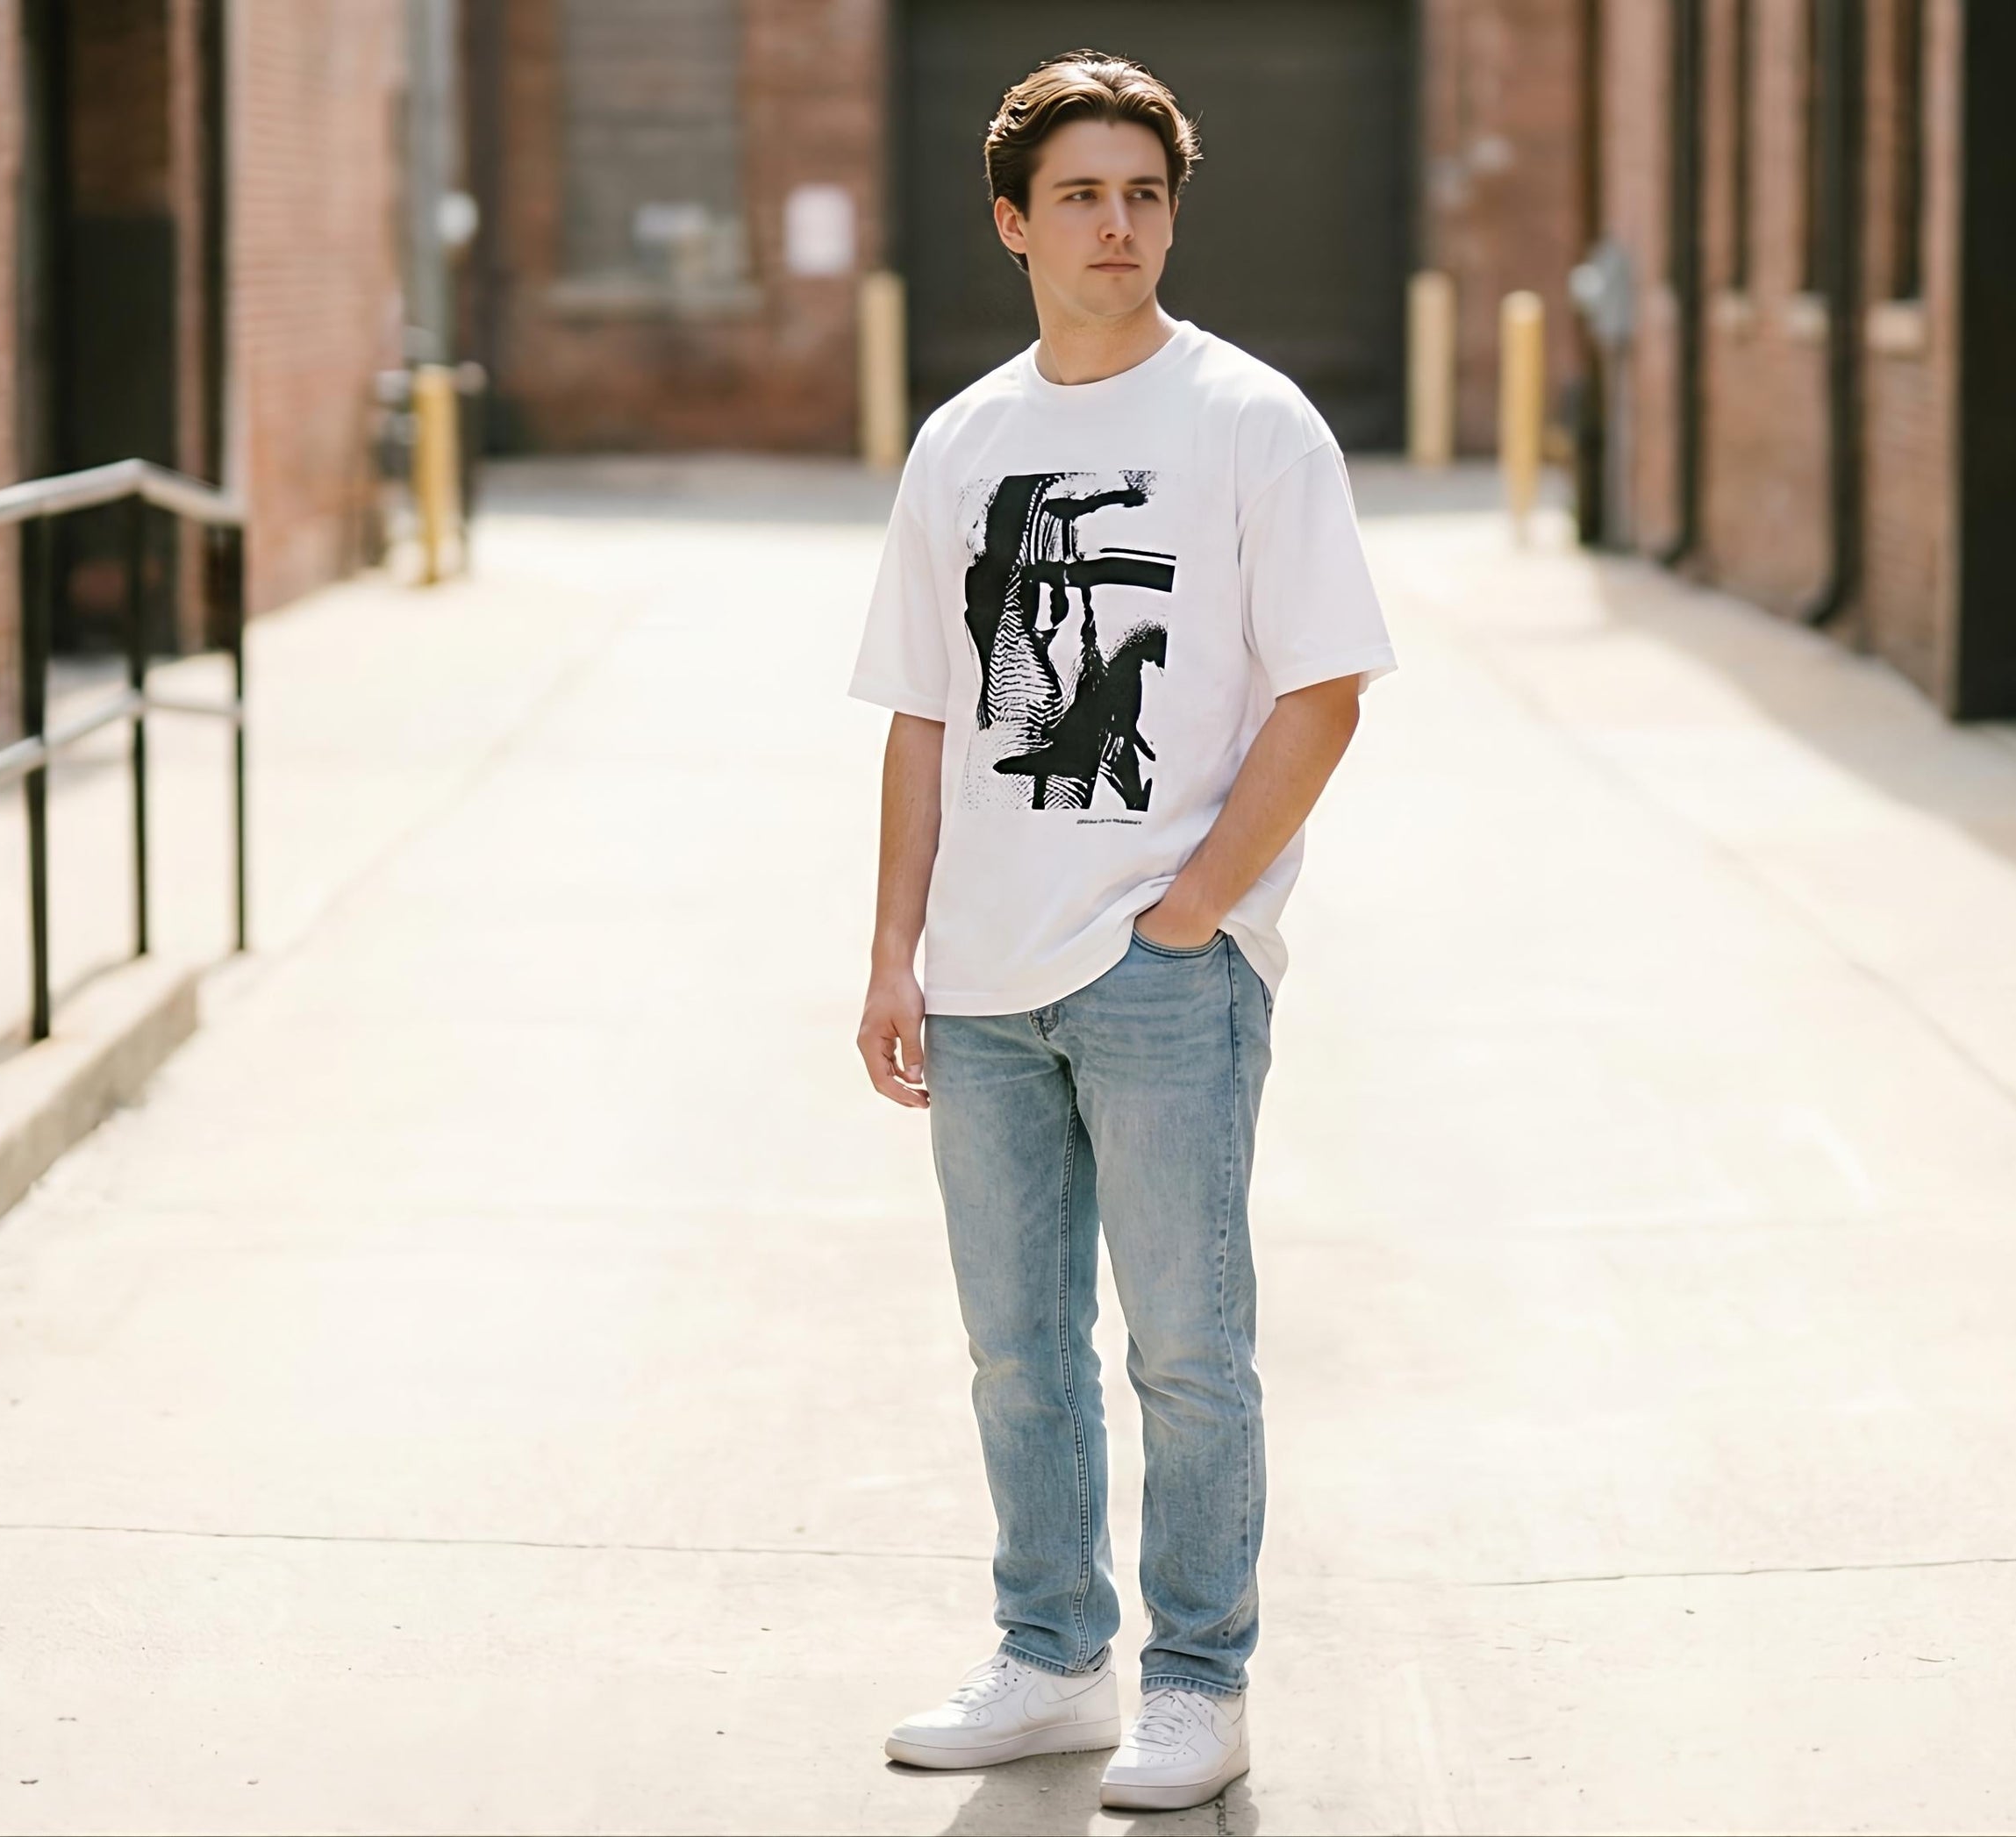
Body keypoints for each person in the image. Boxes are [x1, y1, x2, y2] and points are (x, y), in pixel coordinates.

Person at [847, 48, 1394, 1816]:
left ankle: (1199, 1684)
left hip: (1164, 980)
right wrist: (892, 956)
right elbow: (925, 717)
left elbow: (1323, 696)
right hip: (987, 984)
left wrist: (1195, 913)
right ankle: (1050, 1659)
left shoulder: (1249, 422)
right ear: (1012, 222)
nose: (1118, 224)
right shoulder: (966, 441)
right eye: (1081, 195)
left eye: (1145, 194)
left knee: (1184, 1348)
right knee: (1018, 1352)